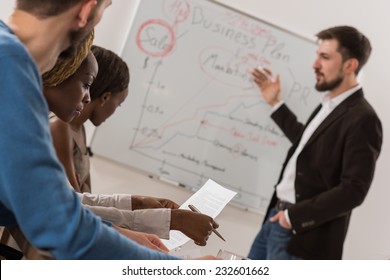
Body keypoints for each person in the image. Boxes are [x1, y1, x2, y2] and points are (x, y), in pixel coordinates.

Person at [0, 0, 214, 259]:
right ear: (86, 10)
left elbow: (60, 206)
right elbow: (60, 224)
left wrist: (140, 214)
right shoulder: (10, 68)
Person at [44, 43, 218, 245]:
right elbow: (75, 207)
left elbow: (83, 199)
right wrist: (172, 220)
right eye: (86, 84)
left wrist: (141, 203)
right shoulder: (58, 127)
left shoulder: (77, 131)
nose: (88, 97)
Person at [248, 26, 382, 260]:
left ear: (350, 65)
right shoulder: (328, 105)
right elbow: (307, 145)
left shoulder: (364, 118)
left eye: (325, 57)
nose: (315, 64)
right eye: (317, 54)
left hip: (300, 236)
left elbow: (354, 190)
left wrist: (292, 218)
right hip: (273, 220)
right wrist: (276, 104)